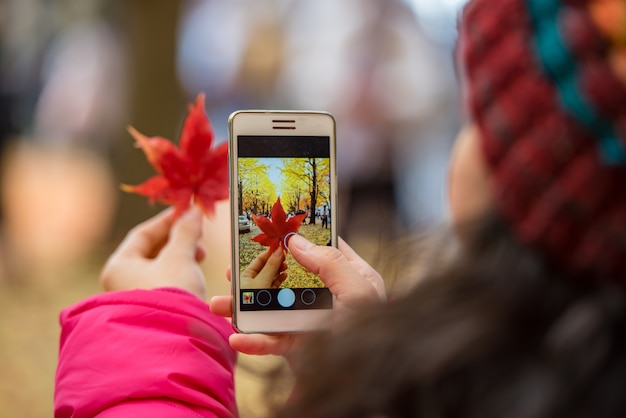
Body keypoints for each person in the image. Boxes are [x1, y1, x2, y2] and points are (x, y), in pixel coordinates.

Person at [55, 0, 626, 417]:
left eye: (478, 117)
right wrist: (363, 367)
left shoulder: (458, 388)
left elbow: (420, 95)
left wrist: (149, 330)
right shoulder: (534, 378)